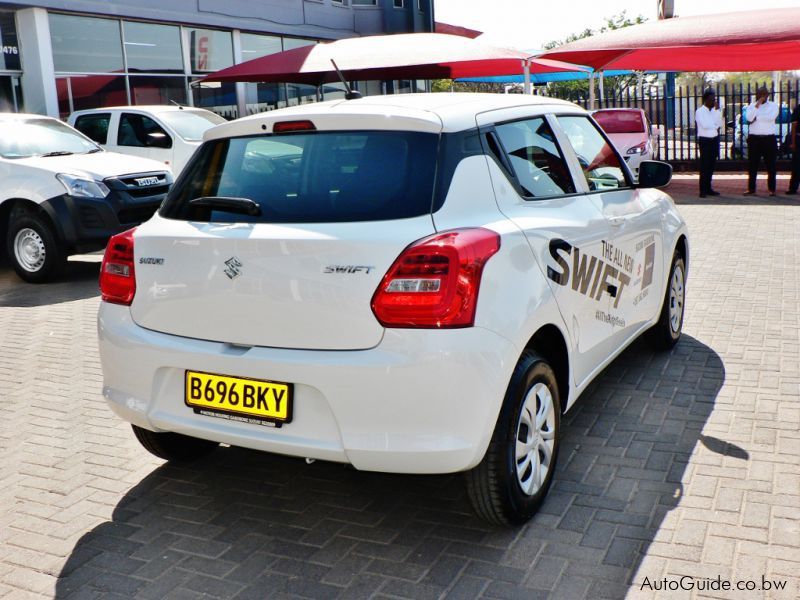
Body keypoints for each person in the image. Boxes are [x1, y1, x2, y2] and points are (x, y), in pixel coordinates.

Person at [743, 86, 779, 197]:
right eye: (760, 94)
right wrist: (757, 106)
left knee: (771, 165)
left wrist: (757, 117)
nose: (762, 96)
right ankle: (751, 189)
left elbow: (771, 117)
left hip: (769, 139)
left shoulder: (773, 106)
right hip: (754, 139)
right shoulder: (751, 106)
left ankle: (772, 189)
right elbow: (749, 118)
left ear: (768, 95)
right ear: (757, 95)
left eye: (764, 94)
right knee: (752, 165)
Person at [695, 89, 723, 197]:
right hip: (705, 140)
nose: (713, 102)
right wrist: (714, 125)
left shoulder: (715, 111)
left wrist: (716, 112)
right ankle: (702, 190)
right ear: (705, 100)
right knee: (704, 166)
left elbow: (719, 123)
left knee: (711, 165)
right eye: (712, 99)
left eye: (714, 99)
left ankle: (709, 188)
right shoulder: (700, 111)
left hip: (714, 140)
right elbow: (705, 125)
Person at [788, 100, 800, 195]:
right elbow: (794, 126)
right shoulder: (798, 109)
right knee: (796, 165)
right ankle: (793, 188)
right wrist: (793, 142)